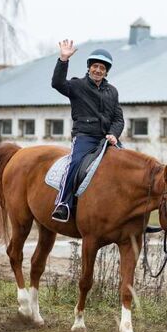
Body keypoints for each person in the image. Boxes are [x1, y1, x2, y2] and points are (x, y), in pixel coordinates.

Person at [50, 39, 124, 222]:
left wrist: (114, 134)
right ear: (89, 67)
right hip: (85, 137)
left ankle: (125, 211)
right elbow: (57, 83)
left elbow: (118, 118)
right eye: (95, 66)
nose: (98, 70)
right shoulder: (77, 86)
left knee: (128, 165)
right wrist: (63, 59)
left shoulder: (112, 92)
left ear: (107, 71)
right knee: (74, 163)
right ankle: (63, 204)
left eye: (102, 68)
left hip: (107, 138)